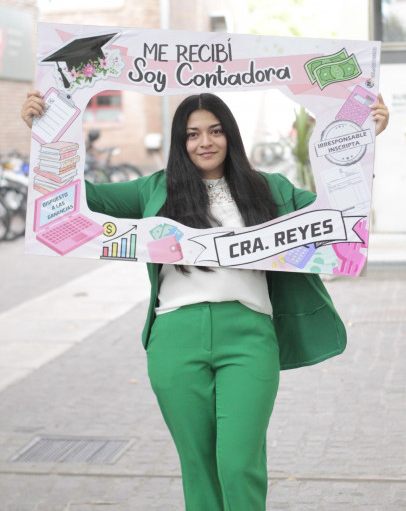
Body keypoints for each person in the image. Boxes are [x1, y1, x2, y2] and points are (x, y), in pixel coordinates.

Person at [22, 90, 389, 511]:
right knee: (198, 467)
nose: (205, 142)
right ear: (181, 142)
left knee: (238, 464)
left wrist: (364, 144)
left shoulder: (270, 189)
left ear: (230, 135)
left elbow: (341, 212)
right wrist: (45, 137)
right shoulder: (155, 190)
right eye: (192, 134)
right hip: (175, 339)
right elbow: (76, 198)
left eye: (215, 130)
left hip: (249, 337)